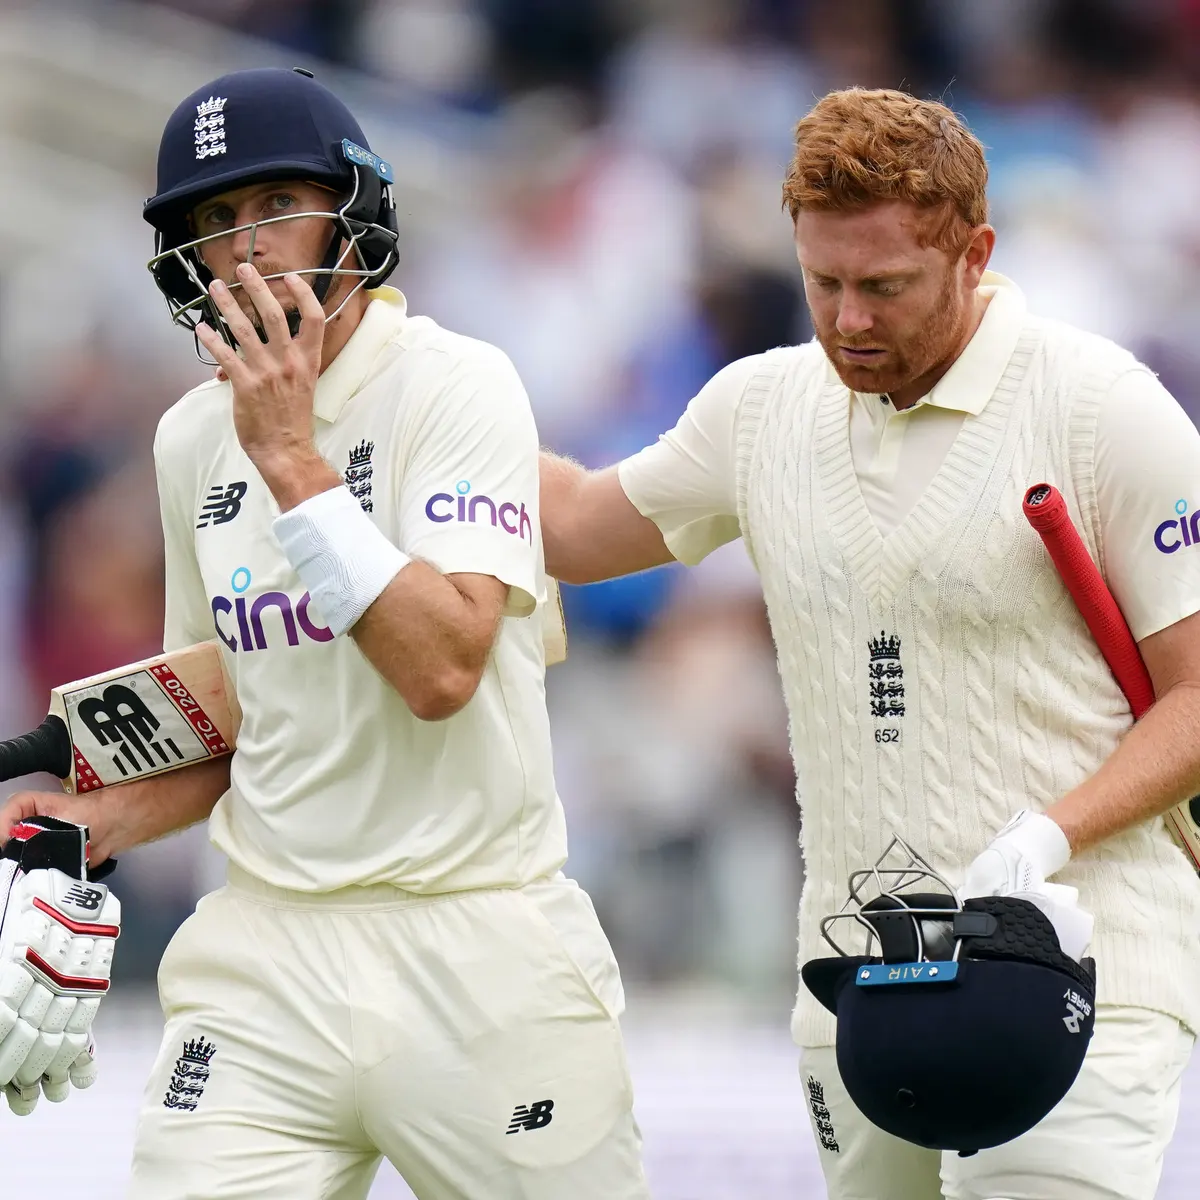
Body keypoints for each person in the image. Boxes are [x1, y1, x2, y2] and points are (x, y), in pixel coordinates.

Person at [539, 86, 1200, 1200]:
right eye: (822, 284)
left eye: (884, 287)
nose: (848, 321)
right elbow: (570, 528)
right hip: (859, 984)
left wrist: (1046, 834)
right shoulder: (759, 409)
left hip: (1086, 972)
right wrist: (414, 402)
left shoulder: (1102, 409)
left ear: (974, 254)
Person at [0, 67, 649, 1200]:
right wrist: (67, 825)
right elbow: (232, 710)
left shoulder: (458, 387)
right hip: (267, 962)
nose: (245, 249)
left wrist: (293, 462)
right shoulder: (192, 439)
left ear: (354, 214)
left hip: (479, 950)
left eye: (275, 207)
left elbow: (443, 666)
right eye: (214, 222)